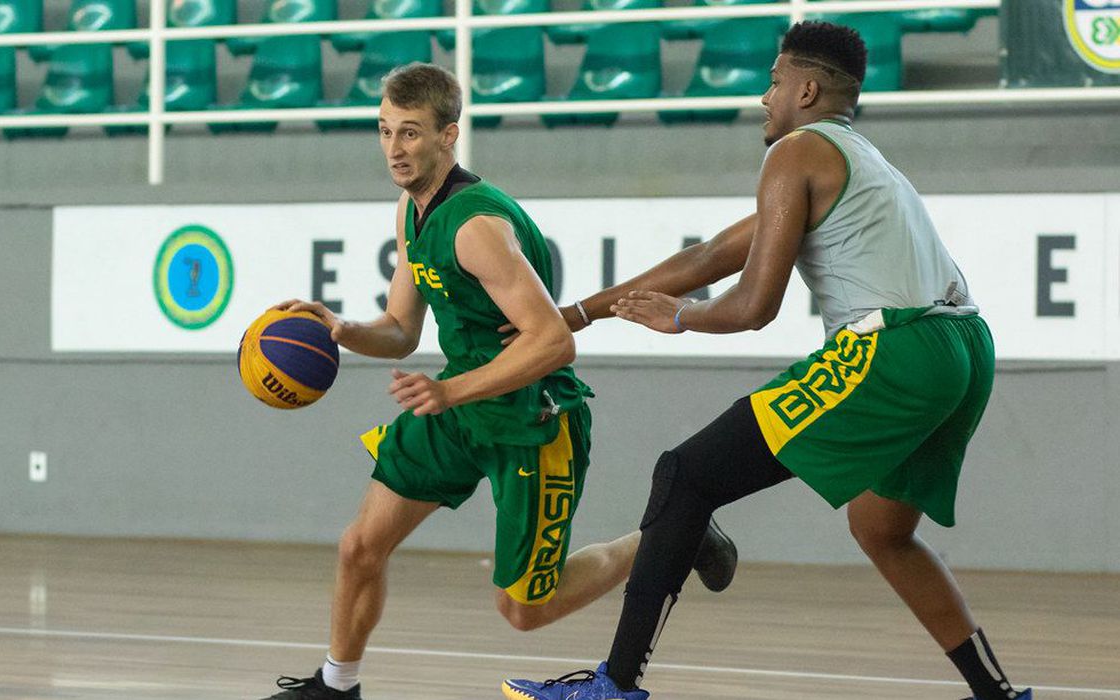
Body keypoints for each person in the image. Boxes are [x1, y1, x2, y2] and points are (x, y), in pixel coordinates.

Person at [501, 21, 1031, 700]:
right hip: (965, 347)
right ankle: (998, 694)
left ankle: (615, 686)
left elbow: (754, 303)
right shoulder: (855, 157)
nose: (764, 96)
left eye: (774, 81)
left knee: (686, 475)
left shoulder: (795, 154)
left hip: (894, 348)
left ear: (806, 88)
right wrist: (579, 313)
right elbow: (709, 257)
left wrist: (682, 318)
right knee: (882, 529)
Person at [257, 63, 737, 700]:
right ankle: (336, 685)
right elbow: (401, 328)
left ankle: (676, 535)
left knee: (523, 610)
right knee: (360, 546)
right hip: (459, 405)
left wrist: (449, 391)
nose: (394, 149)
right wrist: (341, 328)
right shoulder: (411, 212)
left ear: (448, 135)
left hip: (530, 417)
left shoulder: (478, 227)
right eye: (384, 131)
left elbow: (553, 341)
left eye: (409, 134)